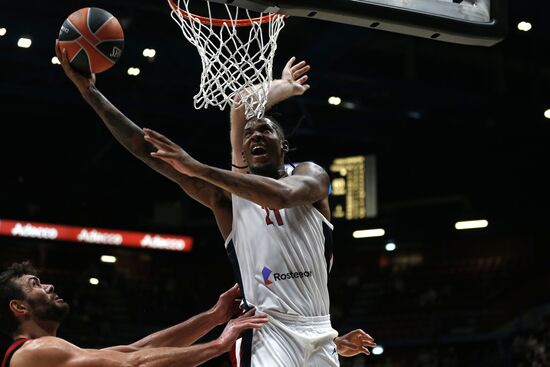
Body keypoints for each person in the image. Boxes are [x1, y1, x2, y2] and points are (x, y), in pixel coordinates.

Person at [56, 41, 376, 366]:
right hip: (267, 331)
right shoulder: (227, 200)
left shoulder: (311, 175)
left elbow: (282, 196)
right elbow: (145, 147)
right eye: (248, 134)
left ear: (284, 144)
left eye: (264, 129)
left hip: (321, 330)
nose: (254, 136)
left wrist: (198, 166)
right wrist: (91, 94)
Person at [0, 261, 268, 367]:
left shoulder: (45, 352)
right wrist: (219, 345)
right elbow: (135, 364)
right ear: (19, 307)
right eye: (35, 285)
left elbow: (136, 349)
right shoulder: (35, 351)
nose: (49, 286)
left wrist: (214, 316)